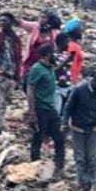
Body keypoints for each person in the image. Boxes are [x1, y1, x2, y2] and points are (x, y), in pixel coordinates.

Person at [61, 70, 96, 191]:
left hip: (94, 128)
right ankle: (83, 185)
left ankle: (91, 184)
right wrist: (64, 123)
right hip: (78, 128)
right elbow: (68, 108)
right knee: (81, 158)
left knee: (93, 158)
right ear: (95, 82)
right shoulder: (78, 90)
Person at [26, 43, 65, 174]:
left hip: (50, 108)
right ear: (48, 54)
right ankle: (34, 165)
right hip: (40, 108)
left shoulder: (49, 68)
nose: (55, 55)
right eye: (53, 53)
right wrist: (32, 113)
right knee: (38, 136)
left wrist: (67, 61)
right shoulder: (37, 69)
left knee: (58, 137)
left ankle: (59, 164)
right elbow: (30, 89)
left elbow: (56, 69)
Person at [19, 9, 61, 90]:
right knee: (28, 85)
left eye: (44, 18)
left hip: (45, 65)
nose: (41, 19)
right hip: (30, 64)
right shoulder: (35, 26)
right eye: (40, 17)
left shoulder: (55, 32)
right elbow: (22, 23)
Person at [52, 32, 75, 117]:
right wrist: (66, 62)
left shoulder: (65, 55)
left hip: (67, 88)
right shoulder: (53, 56)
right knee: (56, 112)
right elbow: (53, 70)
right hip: (57, 88)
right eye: (67, 42)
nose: (69, 45)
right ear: (61, 42)